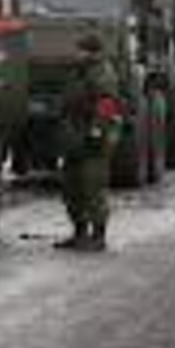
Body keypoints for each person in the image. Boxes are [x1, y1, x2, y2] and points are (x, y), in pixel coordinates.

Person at [58, 35, 122, 253]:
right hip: (76, 137)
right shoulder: (79, 72)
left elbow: (106, 105)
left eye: (81, 50)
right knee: (71, 187)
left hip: (94, 139)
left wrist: (97, 133)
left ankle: (98, 236)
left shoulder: (102, 73)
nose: (77, 54)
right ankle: (79, 232)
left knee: (93, 187)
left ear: (91, 52)